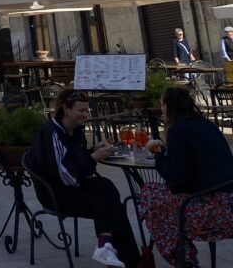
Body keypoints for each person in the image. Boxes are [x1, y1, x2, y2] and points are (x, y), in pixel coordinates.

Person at [28, 89, 138, 268]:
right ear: (66, 109)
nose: (85, 115)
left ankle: (108, 247)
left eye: (87, 111)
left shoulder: (75, 130)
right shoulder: (51, 133)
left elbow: (76, 163)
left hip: (72, 188)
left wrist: (94, 149)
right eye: (81, 110)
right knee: (106, 198)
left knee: (106, 188)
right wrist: (93, 157)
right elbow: (67, 177)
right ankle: (125, 258)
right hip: (55, 193)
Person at [140, 87, 233, 267]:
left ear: (168, 107)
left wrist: (159, 157)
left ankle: (185, 259)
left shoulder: (178, 131)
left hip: (208, 211)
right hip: (228, 204)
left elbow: (177, 180)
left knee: (149, 197)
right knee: (155, 197)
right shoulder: (207, 125)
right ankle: (184, 256)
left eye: (162, 105)